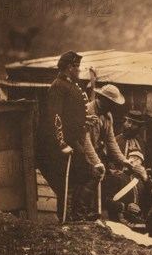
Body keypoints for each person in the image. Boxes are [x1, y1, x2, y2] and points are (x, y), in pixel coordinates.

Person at [40, 50, 98, 222]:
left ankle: (75, 215)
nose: (79, 70)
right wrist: (61, 143)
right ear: (68, 68)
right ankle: (66, 218)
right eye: (76, 66)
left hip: (74, 142)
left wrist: (85, 119)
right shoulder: (58, 86)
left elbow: (70, 114)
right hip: (64, 144)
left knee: (87, 174)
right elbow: (55, 117)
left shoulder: (72, 85)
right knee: (69, 181)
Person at [85, 84, 145, 212]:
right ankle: (80, 214)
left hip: (94, 154)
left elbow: (111, 141)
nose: (114, 106)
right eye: (112, 102)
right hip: (82, 152)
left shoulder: (108, 116)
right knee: (86, 183)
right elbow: (86, 141)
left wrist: (123, 160)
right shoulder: (87, 111)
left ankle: (91, 213)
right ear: (103, 99)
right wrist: (97, 162)